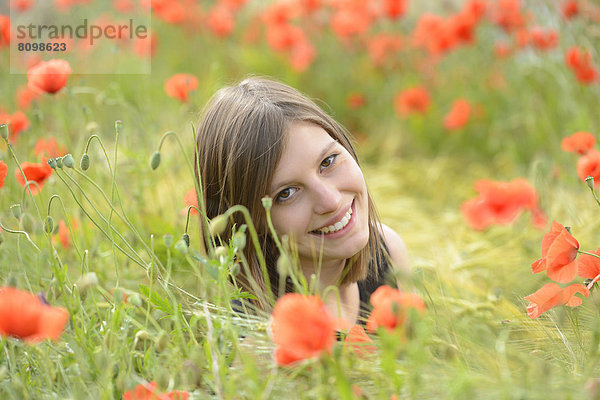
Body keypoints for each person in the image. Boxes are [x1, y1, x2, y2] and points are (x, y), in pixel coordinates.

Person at [194, 76, 408, 326]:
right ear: (251, 222)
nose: (331, 200)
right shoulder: (261, 342)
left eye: (328, 161)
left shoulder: (387, 251)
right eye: (286, 193)